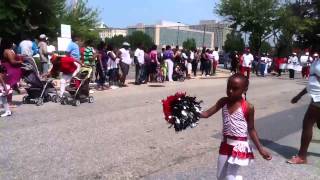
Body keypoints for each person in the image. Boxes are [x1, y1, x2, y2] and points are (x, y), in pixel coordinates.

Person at [200, 73, 272, 179]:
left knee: (230, 176)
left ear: (244, 89)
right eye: (228, 87)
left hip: (239, 146)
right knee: (220, 177)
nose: (230, 91)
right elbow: (206, 114)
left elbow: (251, 129)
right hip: (225, 144)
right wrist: (188, 113)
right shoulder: (223, 101)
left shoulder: (248, 107)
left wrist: (260, 149)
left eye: (235, 88)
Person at [287, 52, 320, 164]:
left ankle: (302, 156)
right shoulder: (316, 62)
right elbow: (312, 82)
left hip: (319, 98)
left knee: (308, 123)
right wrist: (299, 96)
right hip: (315, 96)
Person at [0, 38, 23, 107]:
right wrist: (20, 61)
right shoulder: (8, 51)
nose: (12, 44)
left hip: (4, 68)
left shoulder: (2, 51)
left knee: (7, 86)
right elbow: (12, 61)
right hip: (10, 69)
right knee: (10, 86)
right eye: (11, 42)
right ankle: (9, 103)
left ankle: (7, 102)